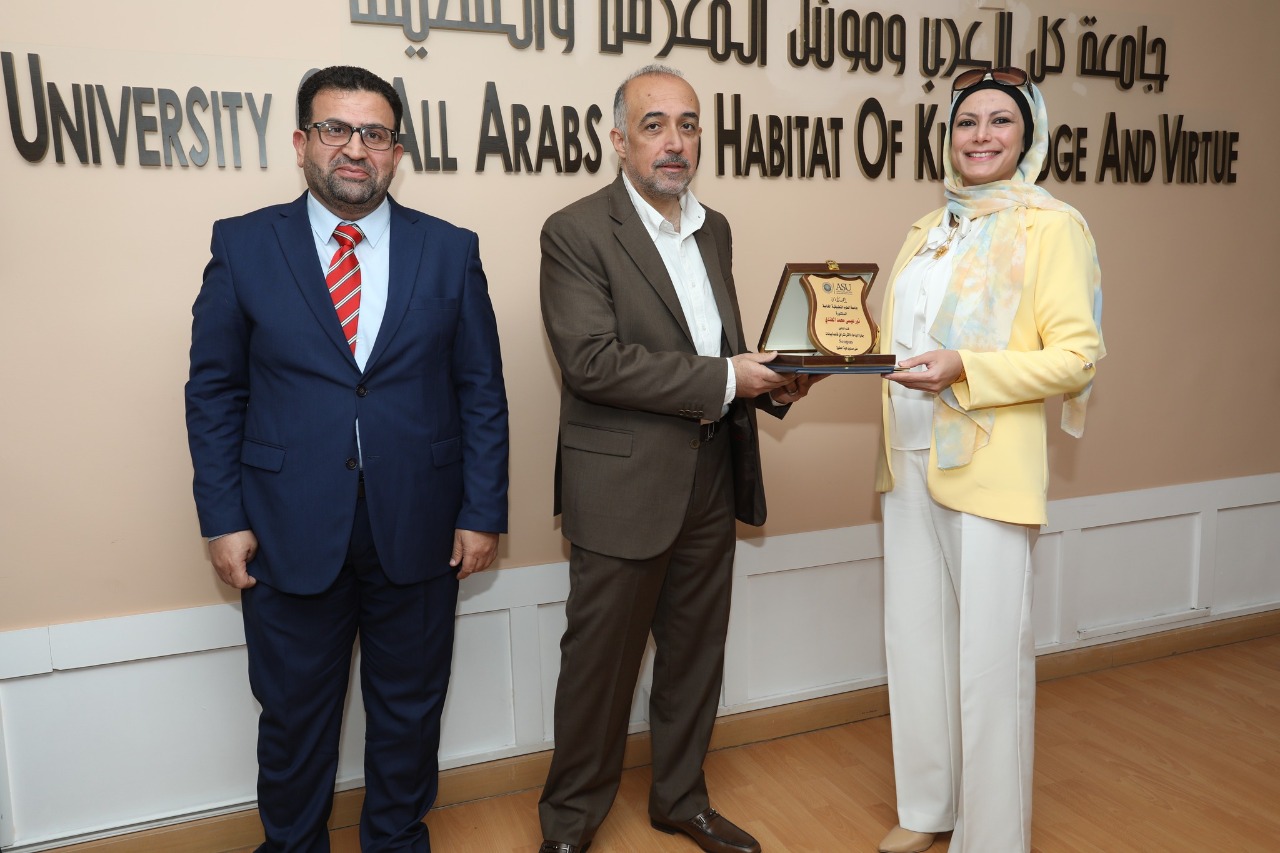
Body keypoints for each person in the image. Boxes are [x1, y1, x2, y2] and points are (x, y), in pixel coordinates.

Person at [184, 65, 509, 852]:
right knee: (294, 718)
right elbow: (215, 392)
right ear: (302, 142)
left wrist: (482, 510)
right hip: (286, 527)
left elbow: (481, 390)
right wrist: (222, 518)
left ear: (396, 150)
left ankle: (395, 840)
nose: (355, 149)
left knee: (410, 712)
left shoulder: (450, 249)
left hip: (422, 526)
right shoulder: (243, 244)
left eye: (374, 134)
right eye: (335, 129)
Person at [536, 64, 817, 853]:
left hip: (711, 473)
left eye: (688, 125)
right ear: (619, 140)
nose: (674, 141)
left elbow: (715, 346)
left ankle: (681, 798)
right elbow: (592, 362)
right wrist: (730, 377)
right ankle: (569, 824)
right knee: (599, 668)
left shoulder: (713, 227)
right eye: (654, 124)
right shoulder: (575, 230)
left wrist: (773, 383)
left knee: (695, 656)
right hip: (621, 486)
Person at [873, 67, 1104, 853]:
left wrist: (967, 368)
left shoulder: (1052, 226)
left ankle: (993, 838)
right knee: (916, 643)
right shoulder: (927, 228)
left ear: (1028, 135)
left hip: (989, 464)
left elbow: (1076, 357)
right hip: (908, 455)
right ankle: (928, 806)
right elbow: (896, 342)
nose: (980, 136)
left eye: (1000, 121)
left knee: (988, 664)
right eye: (967, 121)